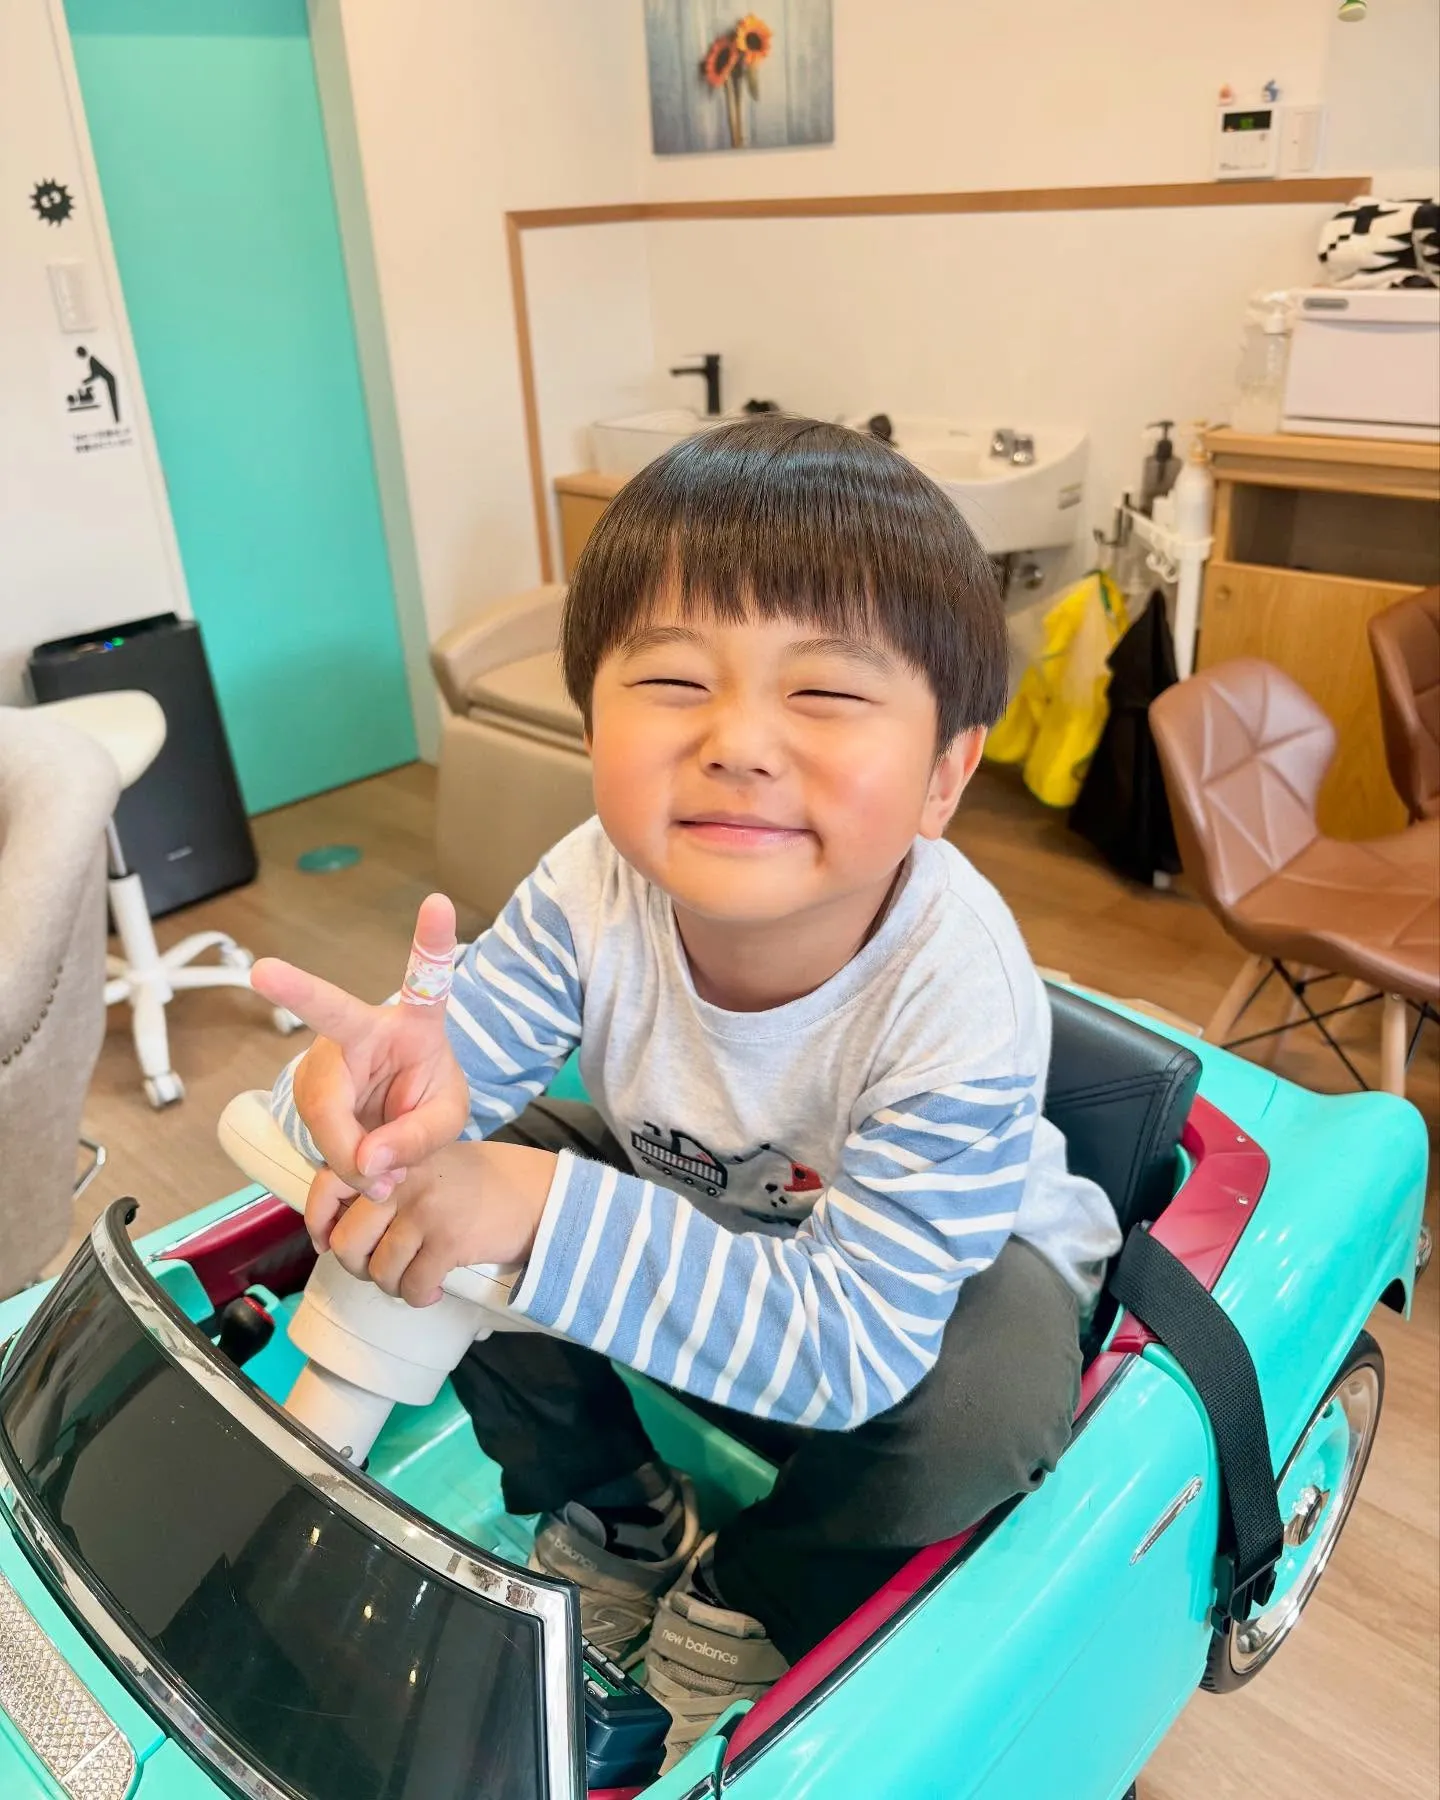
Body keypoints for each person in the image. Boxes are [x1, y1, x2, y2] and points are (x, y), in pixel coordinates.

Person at [254, 415, 1120, 1771]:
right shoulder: (594, 879)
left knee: (988, 1406)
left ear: (947, 773)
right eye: (671, 680)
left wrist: (538, 1208)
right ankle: (612, 1503)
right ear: (589, 718)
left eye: (824, 693)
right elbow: (448, 1089)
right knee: (432, 1190)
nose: (740, 742)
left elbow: (854, 1349)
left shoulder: (961, 994)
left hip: (925, 1283)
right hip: (703, 1195)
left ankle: (761, 1586)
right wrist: (367, 1099)